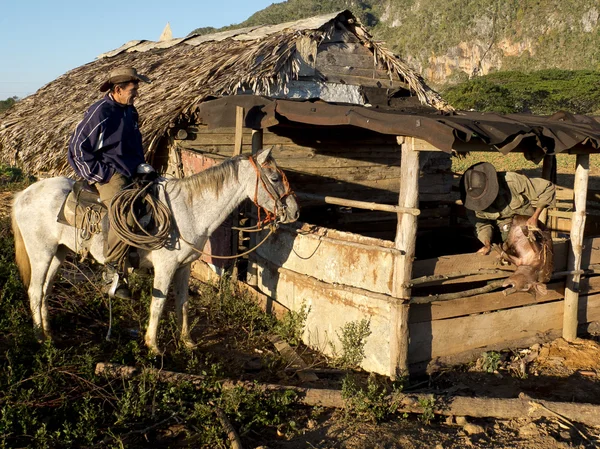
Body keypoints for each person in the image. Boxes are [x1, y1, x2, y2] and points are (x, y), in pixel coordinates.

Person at [67, 67, 157, 298]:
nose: (136, 94)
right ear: (118, 90)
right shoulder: (101, 112)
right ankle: (112, 273)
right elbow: (77, 148)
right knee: (123, 213)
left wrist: (142, 167)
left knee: (157, 200)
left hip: (131, 170)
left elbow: (134, 146)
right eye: (133, 90)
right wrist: (101, 174)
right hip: (110, 172)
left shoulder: (130, 111)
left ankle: (138, 255)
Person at [459, 162, 556, 255]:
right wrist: (487, 243)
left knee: (534, 254)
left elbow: (547, 188)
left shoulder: (512, 182)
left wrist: (534, 217)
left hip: (526, 227)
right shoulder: (472, 206)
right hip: (501, 233)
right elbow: (482, 226)